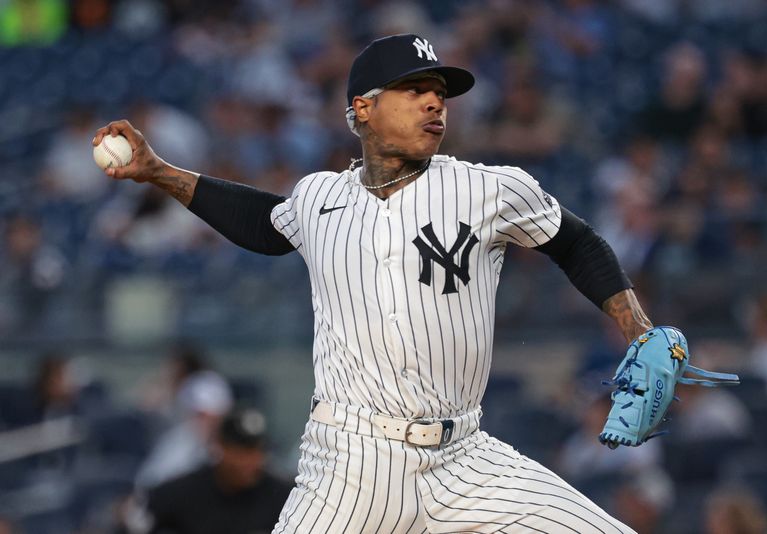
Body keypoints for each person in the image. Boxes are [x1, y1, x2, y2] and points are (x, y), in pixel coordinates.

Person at [93, 33, 658, 532]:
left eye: (439, 90)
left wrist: (636, 327)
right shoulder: (319, 198)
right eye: (413, 89)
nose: (435, 101)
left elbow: (576, 241)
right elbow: (265, 225)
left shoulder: (491, 189)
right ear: (363, 108)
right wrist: (158, 171)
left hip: (466, 459)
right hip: (350, 464)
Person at [140, 407, 293, 534]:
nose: (250, 461)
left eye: (257, 451)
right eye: (241, 451)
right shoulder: (180, 493)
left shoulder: (285, 497)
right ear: (220, 447)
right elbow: (140, 521)